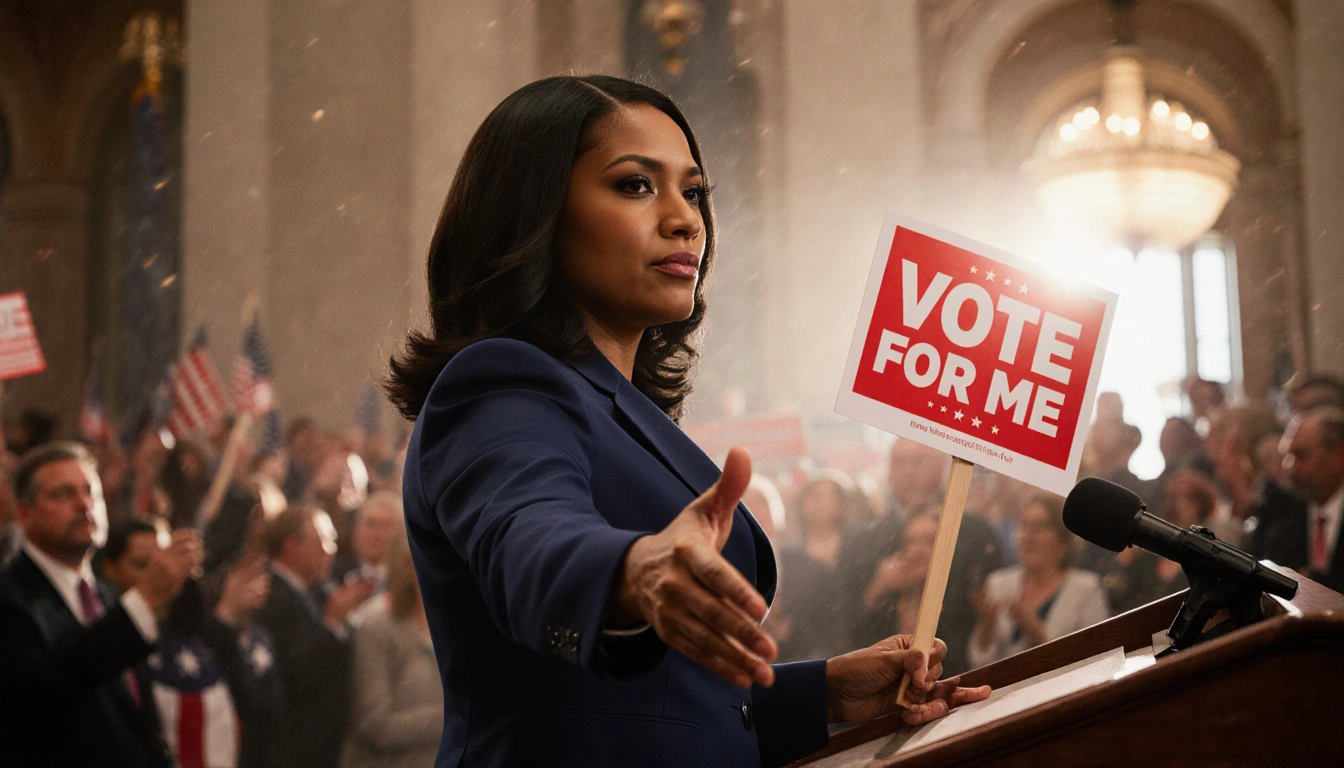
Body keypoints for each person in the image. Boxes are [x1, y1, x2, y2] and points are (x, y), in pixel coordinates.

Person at [388, 75, 988, 768]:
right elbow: (528, 538)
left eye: (695, 191)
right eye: (635, 185)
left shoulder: (623, 411)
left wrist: (821, 692)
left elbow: (658, 708)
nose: (685, 219)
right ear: (534, 213)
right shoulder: (501, 383)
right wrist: (630, 572)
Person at [0, 442, 200, 767]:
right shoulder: (10, 596)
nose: (84, 504)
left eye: (91, 492)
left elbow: (134, 716)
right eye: (63, 494)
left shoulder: (107, 595)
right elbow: (38, 697)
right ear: (25, 513)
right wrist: (143, 603)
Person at [254, 505, 375, 768]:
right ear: (292, 546)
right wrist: (332, 623)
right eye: (324, 540)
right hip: (291, 748)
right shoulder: (267, 596)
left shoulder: (318, 591)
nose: (331, 550)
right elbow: (290, 671)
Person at [968, 494, 1110, 668]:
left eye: (1038, 527)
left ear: (1064, 538)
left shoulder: (1087, 588)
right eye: (1024, 525)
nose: (1027, 536)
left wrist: (1037, 632)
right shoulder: (999, 582)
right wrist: (988, 624)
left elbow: (1096, 658)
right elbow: (979, 662)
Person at [341, 528, 443, 768]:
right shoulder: (377, 629)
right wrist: (454, 718)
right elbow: (374, 724)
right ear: (408, 569)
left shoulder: (458, 629)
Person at [1280, 407, 1344, 591]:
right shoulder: (1283, 518)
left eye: (1301, 455)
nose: (1290, 466)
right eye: (1288, 455)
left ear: (1338, 455)